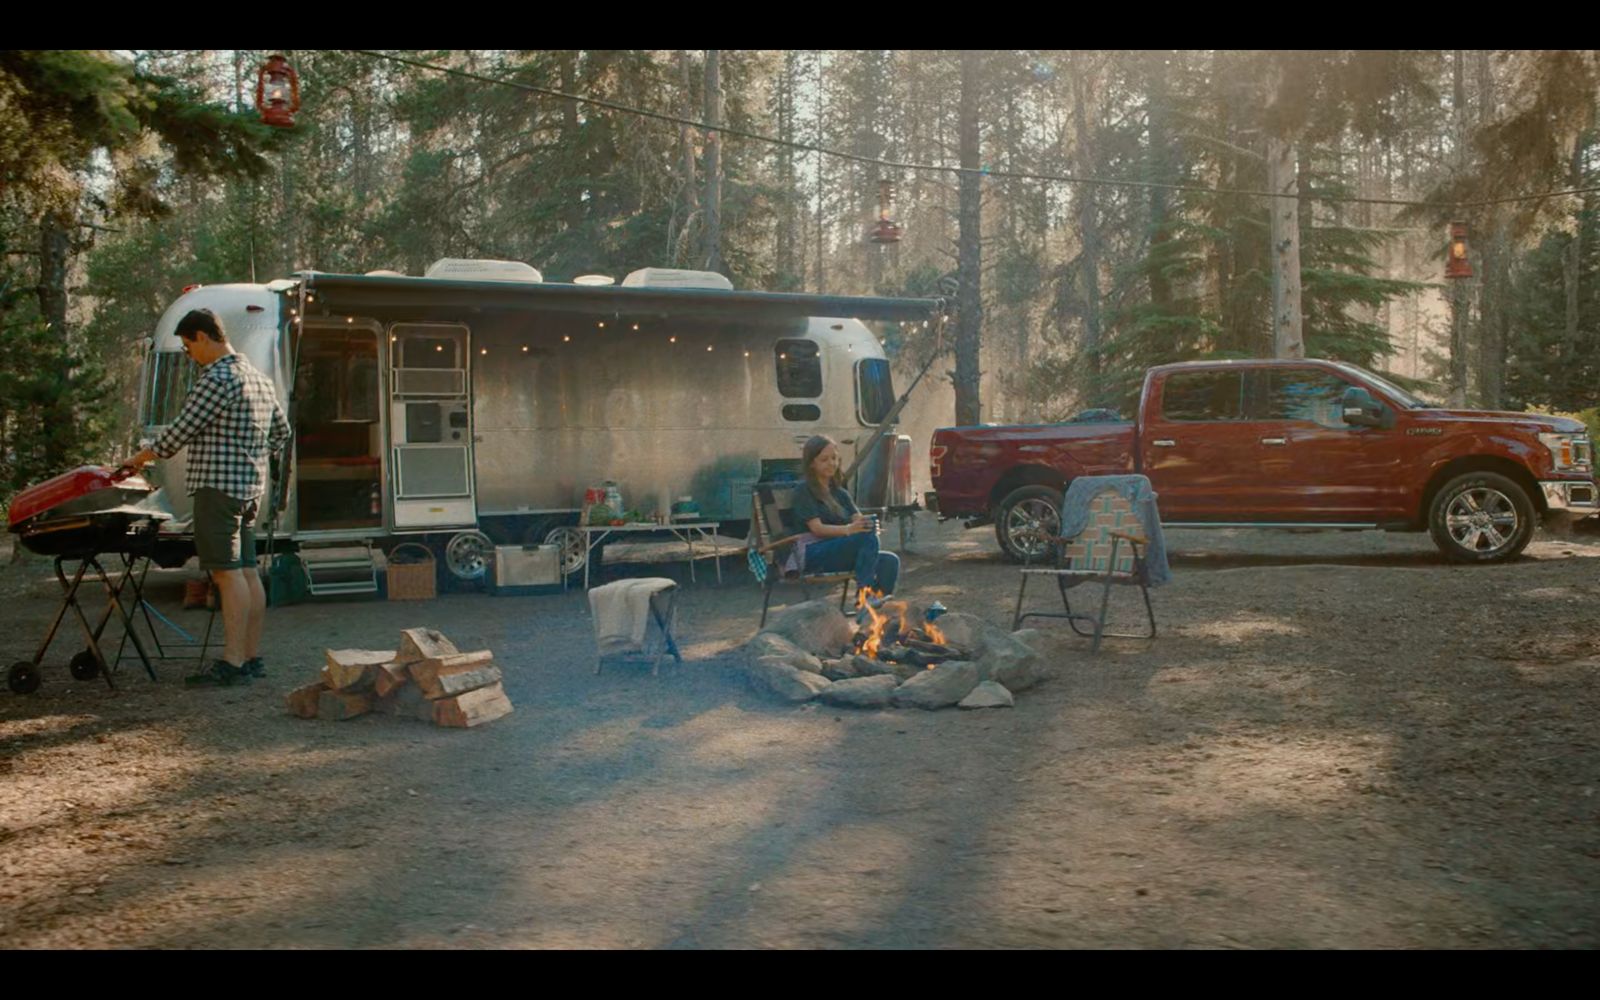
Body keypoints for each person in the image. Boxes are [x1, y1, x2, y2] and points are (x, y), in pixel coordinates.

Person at [123, 308, 289, 687]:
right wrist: (252, 457)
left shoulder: (218, 378)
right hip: (249, 491)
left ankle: (231, 663)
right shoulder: (257, 378)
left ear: (202, 337)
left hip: (218, 489)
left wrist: (139, 458)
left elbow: (179, 432)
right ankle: (250, 657)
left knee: (226, 575)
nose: (189, 355)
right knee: (247, 571)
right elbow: (282, 431)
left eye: (187, 346)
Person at [786, 435, 899, 605]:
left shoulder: (840, 492)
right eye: (824, 459)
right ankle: (865, 596)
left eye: (834, 458)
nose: (831, 463)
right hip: (812, 553)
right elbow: (817, 529)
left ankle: (873, 611)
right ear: (811, 463)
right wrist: (849, 530)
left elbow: (857, 520)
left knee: (890, 561)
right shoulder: (804, 491)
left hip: (837, 550)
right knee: (865, 538)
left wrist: (868, 524)